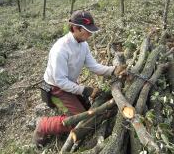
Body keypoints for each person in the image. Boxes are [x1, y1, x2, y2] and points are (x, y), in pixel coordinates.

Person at [33, 10, 126, 147]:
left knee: (89, 110)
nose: (90, 34)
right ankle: (43, 125)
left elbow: (93, 66)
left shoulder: (83, 44)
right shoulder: (60, 50)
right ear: (75, 28)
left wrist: (113, 70)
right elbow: (60, 81)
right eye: (87, 31)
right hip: (54, 88)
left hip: (68, 83)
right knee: (80, 121)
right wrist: (86, 90)